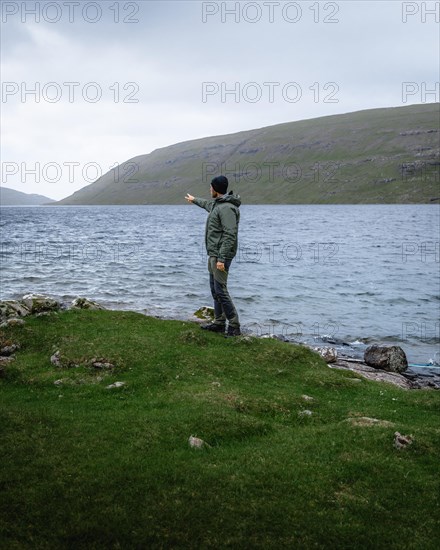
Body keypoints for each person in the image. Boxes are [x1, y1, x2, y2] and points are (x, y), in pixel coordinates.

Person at [185, 175, 241, 337]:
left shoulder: (227, 209)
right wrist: (194, 200)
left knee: (221, 290)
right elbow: (208, 204)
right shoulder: (218, 205)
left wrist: (222, 259)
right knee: (215, 290)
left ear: (216, 189)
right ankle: (219, 322)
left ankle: (234, 326)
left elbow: (230, 234)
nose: (209, 190)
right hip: (213, 254)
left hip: (220, 256)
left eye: (211, 188)